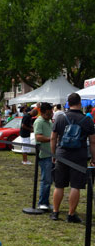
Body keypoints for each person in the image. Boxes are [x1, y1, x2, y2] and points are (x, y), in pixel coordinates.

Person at [50, 92, 95, 222]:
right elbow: (93, 141)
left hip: (62, 154)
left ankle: (55, 212)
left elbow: (53, 138)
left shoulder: (60, 118)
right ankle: (71, 215)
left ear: (68, 104)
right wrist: (93, 158)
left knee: (59, 185)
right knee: (75, 186)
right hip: (79, 156)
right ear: (80, 103)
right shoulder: (87, 120)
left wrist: (53, 154)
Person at [34, 103, 53, 211]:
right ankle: (42, 203)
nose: (50, 115)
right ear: (42, 112)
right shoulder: (39, 122)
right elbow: (38, 137)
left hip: (50, 154)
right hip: (44, 155)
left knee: (49, 180)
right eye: (48, 114)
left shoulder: (49, 122)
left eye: (51, 113)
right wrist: (52, 139)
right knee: (46, 180)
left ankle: (45, 201)